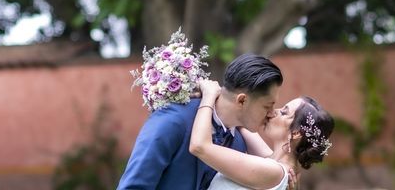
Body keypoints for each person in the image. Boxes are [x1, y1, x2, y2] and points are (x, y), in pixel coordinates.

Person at [117, 53, 284, 190]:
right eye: (267, 106)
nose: (271, 114)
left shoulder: (239, 143)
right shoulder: (173, 120)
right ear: (241, 101)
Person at [190, 79, 334, 190]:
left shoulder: (274, 172)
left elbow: (199, 146)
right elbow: (242, 122)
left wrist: (208, 96)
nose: (273, 112)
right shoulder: (274, 162)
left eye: (284, 112)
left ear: (296, 133)